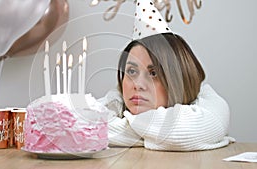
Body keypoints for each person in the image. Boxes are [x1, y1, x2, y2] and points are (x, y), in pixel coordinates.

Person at [98, 33, 235, 151]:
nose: (138, 85)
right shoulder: (116, 98)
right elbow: (81, 118)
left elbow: (187, 132)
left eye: (154, 73)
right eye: (132, 71)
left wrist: (115, 132)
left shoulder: (209, 101)